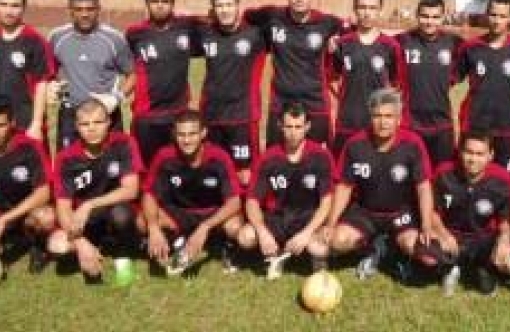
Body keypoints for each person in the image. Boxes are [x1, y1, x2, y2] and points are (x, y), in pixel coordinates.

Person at [324, 88, 434, 280]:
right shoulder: (355, 144)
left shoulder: (413, 144)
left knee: (426, 254)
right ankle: (371, 248)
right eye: (377, 116)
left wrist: (426, 225)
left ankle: (392, 249)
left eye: (389, 116)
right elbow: (344, 187)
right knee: (336, 242)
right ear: (370, 118)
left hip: (400, 213)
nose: (383, 122)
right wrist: (331, 223)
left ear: (399, 119)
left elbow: (424, 188)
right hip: (366, 212)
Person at [47, 99, 141, 283]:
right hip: (84, 221)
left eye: (98, 122)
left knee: (121, 215)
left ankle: (123, 254)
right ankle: (93, 246)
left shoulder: (124, 143)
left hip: (115, 210)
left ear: (108, 123)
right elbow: (63, 208)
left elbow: (131, 190)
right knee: (56, 245)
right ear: (76, 127)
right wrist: (81, 244)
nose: (92, 129)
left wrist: (89, 204)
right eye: (85, 124)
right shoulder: (65, 158)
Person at [244, 0, 343, 147]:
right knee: (276, 158)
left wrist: (336, 39)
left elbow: (352, 30)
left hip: (316, 102)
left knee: (317, 160)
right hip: (280, 102)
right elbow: (245, 16)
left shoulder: (327, 23)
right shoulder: (272, 16)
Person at [141, 110, 243, 275]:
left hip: (211, 213)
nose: (186, 140)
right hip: (179, 213)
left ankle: (227, 247)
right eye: (181, 135)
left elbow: (235, 201)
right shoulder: (164, 156)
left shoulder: (219, 157)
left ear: (203, 133)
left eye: (192, 134)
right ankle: (175, 243)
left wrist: (205, 226)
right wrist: (153, 228)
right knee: (142, 221)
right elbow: (149, 194)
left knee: (234, 226)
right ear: (174, 134)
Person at [239, 102, 333, 279]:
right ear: (280, 126)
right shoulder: (268, 158)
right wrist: (262, 231)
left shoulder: (320, 156)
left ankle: (312, 257)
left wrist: (306, 233)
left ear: (307, 127)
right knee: (245, 237)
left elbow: (326, 202)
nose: (293, 132)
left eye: (298, 127)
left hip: (307, 218)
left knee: (320, 247)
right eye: (288, 126)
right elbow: (252, 201)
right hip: (278, 218)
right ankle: (277, 255)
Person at [425, 130, 510, 296]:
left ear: (490, 155)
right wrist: (443, 234)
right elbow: (433, 213)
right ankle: (451, 268)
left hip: (483, 239)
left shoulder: (502, 180)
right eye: (468, 152)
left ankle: (481, 269)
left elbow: (505, 222)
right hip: (452, 237)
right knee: (425, 255)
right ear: (460, 151)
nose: (473, 159)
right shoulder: (444, 174)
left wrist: (504, 241)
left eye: (480, 154)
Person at [192, 0, 267, 184]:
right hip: (211, 116)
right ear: (213, 8)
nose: (224, 10)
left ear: (237, 5)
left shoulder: (256, 34)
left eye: (229, 4)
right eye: (219, 5)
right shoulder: (205, 34)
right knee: (213, 171)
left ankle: (248, 213)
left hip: (242, 117)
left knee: (245, 174)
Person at [49, 0, 135, 150]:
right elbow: (48, 73)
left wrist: (116, 97)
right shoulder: (57, 37)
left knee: (112, 167)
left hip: (106, 113)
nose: (85, 14)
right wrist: (51, 87)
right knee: (68, 168)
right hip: (71, 113)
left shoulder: (114, 39)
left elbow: (133, 74)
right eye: (79, 9)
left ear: (98, 9)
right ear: (70, 10)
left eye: (90, 9)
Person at [126, 0, 197, 168]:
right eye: (154, 1)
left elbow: (213, 22)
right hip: (146, 117)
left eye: (165, 1)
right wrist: (119, 94)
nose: (160, 6)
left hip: (178, 114)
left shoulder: (187, 27)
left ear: (172, 3)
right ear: (147, 3)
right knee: (146, 171)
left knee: (178, 168)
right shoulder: (134, 34)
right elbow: (130, 70)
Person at [328, 0, 405, 156]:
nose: (366, 13)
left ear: (380, 10)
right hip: (347, 123)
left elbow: (397, 85)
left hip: (377, 124)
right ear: (355, 9)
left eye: (372, 8)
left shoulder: (391, 46)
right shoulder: (342, 44)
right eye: (362, 7)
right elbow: (332, 79)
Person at [456, 0, 510, 170]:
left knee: (506, 175)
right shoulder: (470, 47)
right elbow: (452, 77)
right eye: (493, 14)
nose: (497, 20)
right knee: (469, 172)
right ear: (486, 14)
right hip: (475, 122)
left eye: (503, 16)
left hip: (505, 123)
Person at [395, 0, 462, 165]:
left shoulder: (455, 42)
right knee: (410, 177)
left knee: (442, 176)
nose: (429, 22)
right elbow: (375, 41)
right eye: (425, 16)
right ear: (417, 15)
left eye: (435, 17)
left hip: (442, 124)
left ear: (442, 17)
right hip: (410, 123)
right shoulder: (402, 41)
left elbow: (480, 49)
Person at [0, 96, 53, 276]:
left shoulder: (29, 146)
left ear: (12, 123)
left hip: (26, 212)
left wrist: (6, 218)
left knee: (45, 217)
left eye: (1, 125)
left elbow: (44, 193)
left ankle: (39, 246)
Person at [0, 0, 54, 140]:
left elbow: (41, 84)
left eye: (15, 6)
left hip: (24, 124)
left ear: (23, 8)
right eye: (3, 4)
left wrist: (36, 124)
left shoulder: (35, 41)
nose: (9, 11)